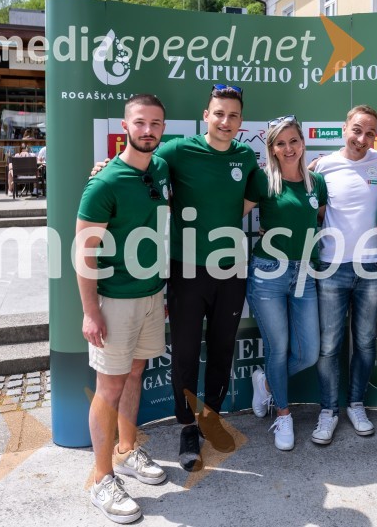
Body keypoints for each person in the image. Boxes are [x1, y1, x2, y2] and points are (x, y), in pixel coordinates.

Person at [95, 84, 259, 470]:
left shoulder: (246, 156)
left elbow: (250, 200)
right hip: (186, 269)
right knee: (184, 353)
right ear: (206, 116)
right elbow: (136, 163)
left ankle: (211, 417)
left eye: (233, 115)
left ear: (241, 121)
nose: (225, 121)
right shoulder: (177, 150)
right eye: (218, 113)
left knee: (222, 348)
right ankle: (187, 426)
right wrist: (105, 165)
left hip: (231, 270)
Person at [75, 94, 170, 524]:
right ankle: (101, 478)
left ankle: (127, 449)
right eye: (140, 122)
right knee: (109, 387)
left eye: (155, 123)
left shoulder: (161, 168)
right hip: (114, 300)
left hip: (151, 296)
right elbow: (84, 251)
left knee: (135, 373)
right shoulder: (104, 183)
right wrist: (90, 310)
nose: (148, 130)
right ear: (125, 126)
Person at [309, 105, 377, 446]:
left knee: (365, 341)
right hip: (332, 266)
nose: (362, 138)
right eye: (356, 129)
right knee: (329, 344)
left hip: (373, 267)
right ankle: (328, 410)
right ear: (344, 128)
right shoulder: (323, 166)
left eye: (370, 132)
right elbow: (313, 206)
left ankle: (356, 404)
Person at [246, 115, 327, 450]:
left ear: (303, 143)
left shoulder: (316, 182)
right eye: (281, 143)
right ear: (272, 149)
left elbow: (320, 218)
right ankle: (283, 414)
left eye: (294, 141)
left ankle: (265, 383)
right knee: (278, 349)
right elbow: (229, 212)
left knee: (308, 353)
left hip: (305, 272)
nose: (289, 148)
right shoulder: (262, 180)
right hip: (268, 272)